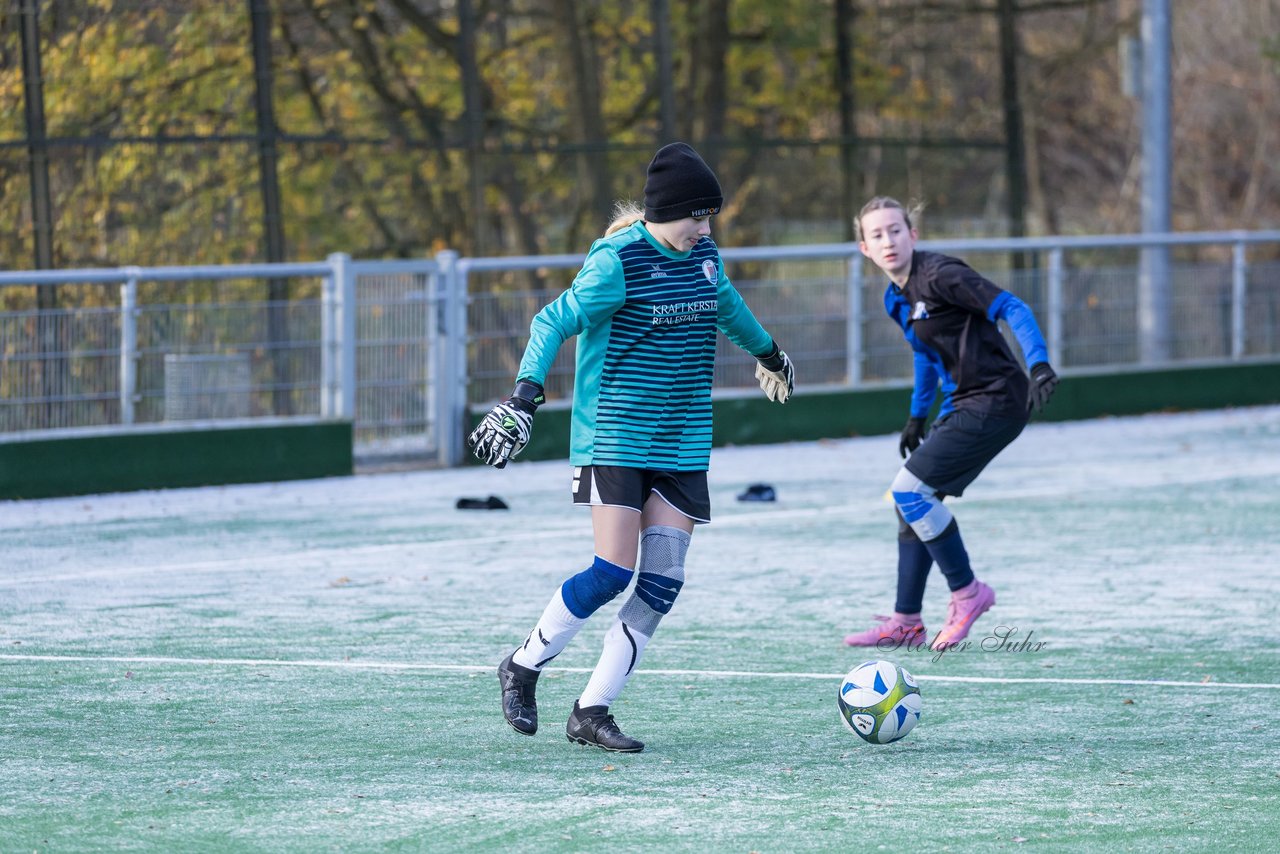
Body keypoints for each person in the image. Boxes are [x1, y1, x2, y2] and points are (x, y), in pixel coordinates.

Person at [468, 142, 795, 753]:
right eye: (696, 216)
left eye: (710, 217)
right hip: (615, 436)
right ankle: (523, 665)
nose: (705, 229)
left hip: (682, 440)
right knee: (612, 571)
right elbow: (550, 321)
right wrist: (524, 396)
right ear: (664, 213)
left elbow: (727, 306)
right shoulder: (616, 262)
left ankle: (591, 710)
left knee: (663, 580)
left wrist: (769, 353)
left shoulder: (704, 257)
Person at [843, 196, 1059, 652]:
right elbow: (924, 354)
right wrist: (917, 415)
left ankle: (968, 593)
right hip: (962, 402)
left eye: (895, 230)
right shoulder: (895, 298)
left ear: (912, 235)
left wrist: (1038, 363)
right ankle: (906, 622)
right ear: (865, 248)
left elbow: (1013, 307)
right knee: (909, 505)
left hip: (999, 398)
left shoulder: (941, 274)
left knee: (909, 492)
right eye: (876, 235)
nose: (888, 240)